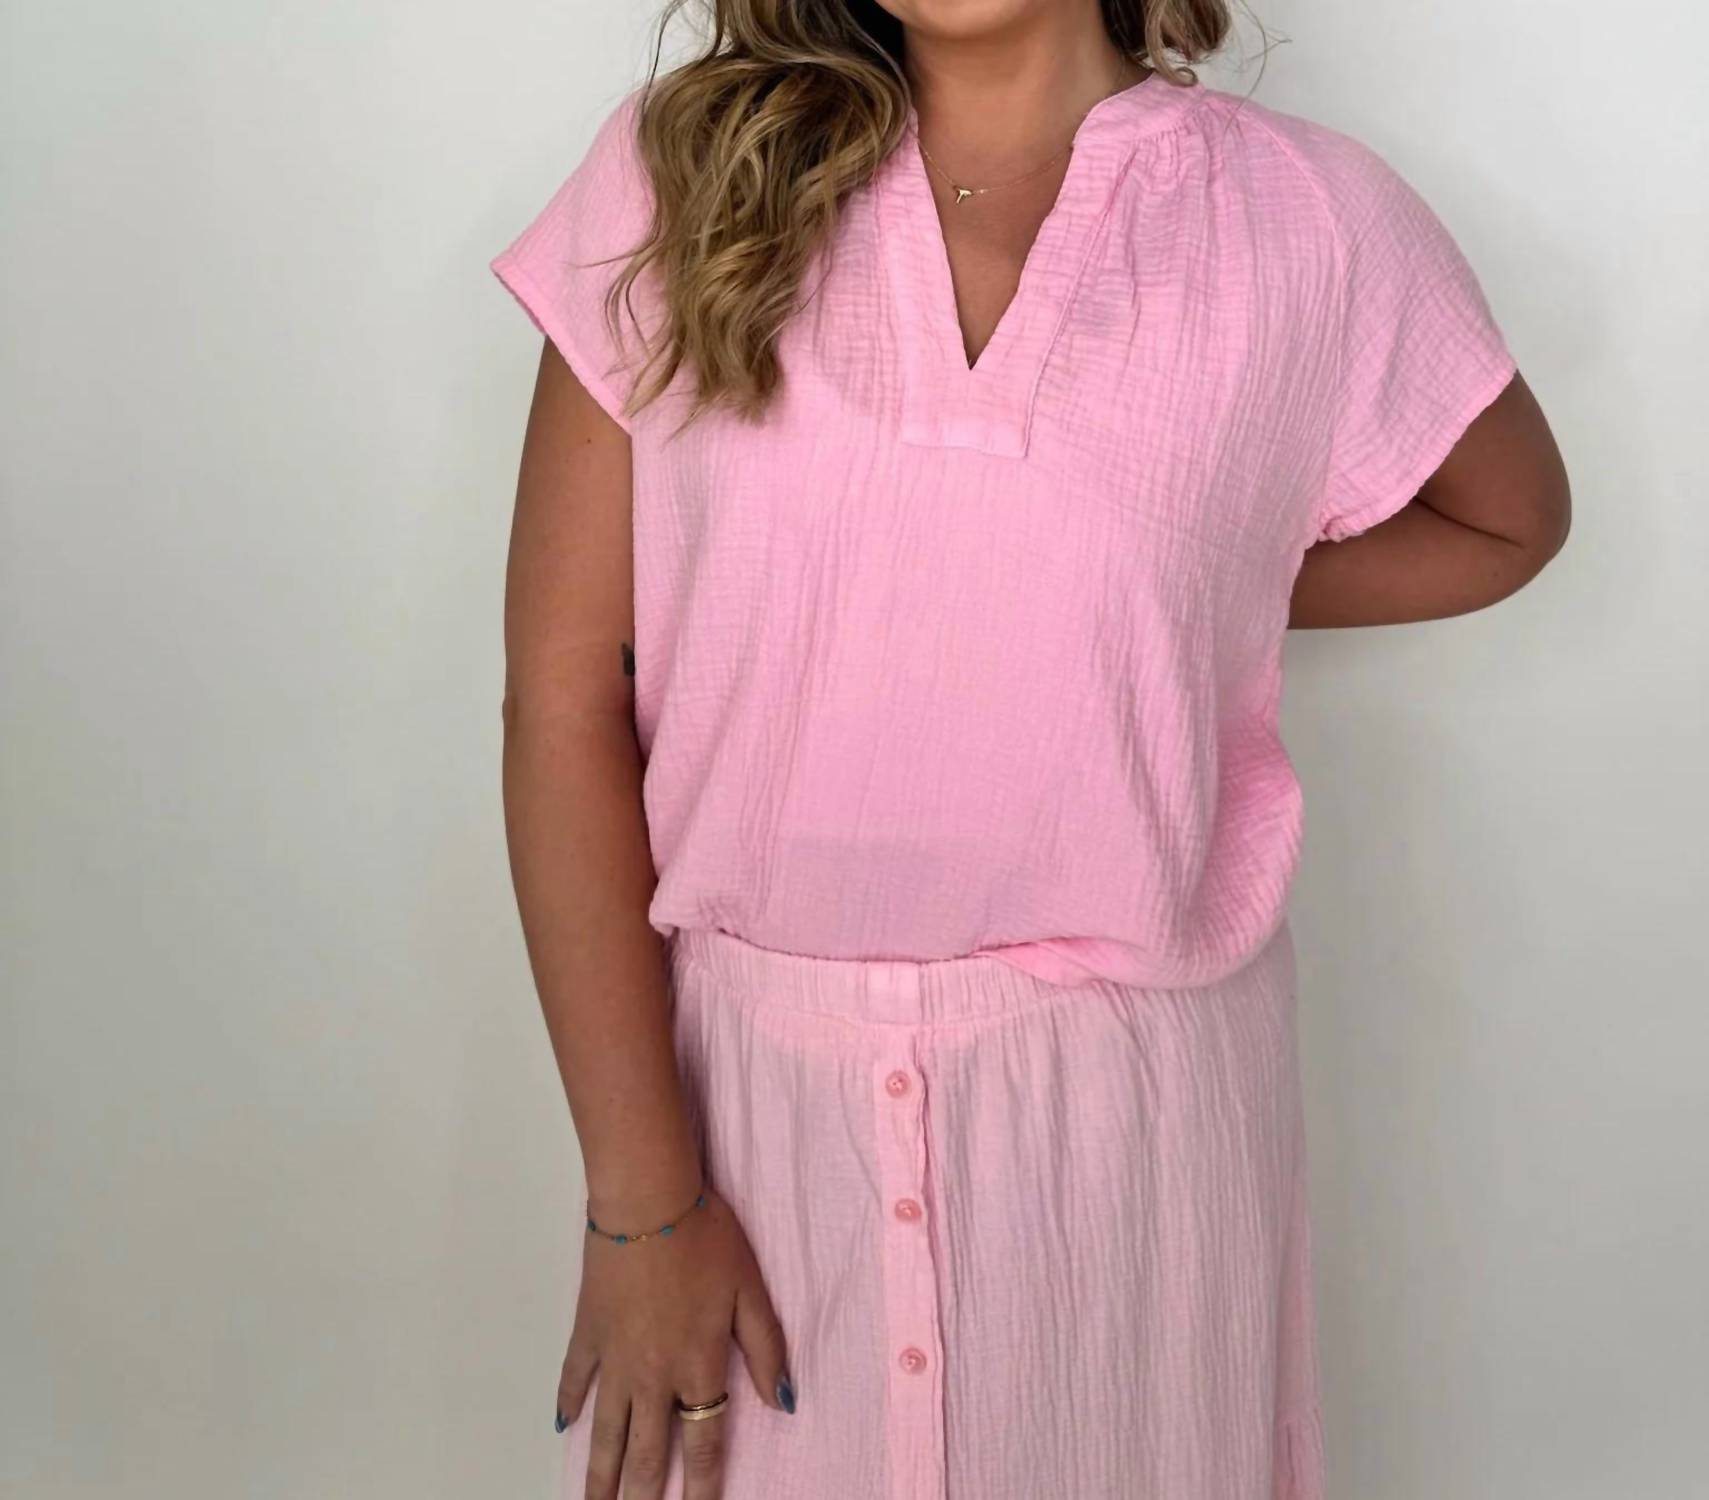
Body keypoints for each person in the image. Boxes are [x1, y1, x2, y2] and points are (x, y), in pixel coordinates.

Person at [488, 1, 1571, 1496]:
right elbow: (561, 702)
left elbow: (1506, 522)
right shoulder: (686, 179)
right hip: (742, 1128)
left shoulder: (1312, 222)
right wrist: (641, 1200)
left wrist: (1179, 587)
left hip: (1135, 1145)